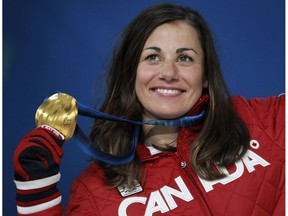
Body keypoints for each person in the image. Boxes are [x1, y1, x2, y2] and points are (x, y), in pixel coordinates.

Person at [13, 3, 284, 216]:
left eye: (185, 58)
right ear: (131, 72)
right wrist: (37, 196)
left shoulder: (266, 120)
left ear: (205, 75)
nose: (168, 73)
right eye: (152, 57)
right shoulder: (93, 192)